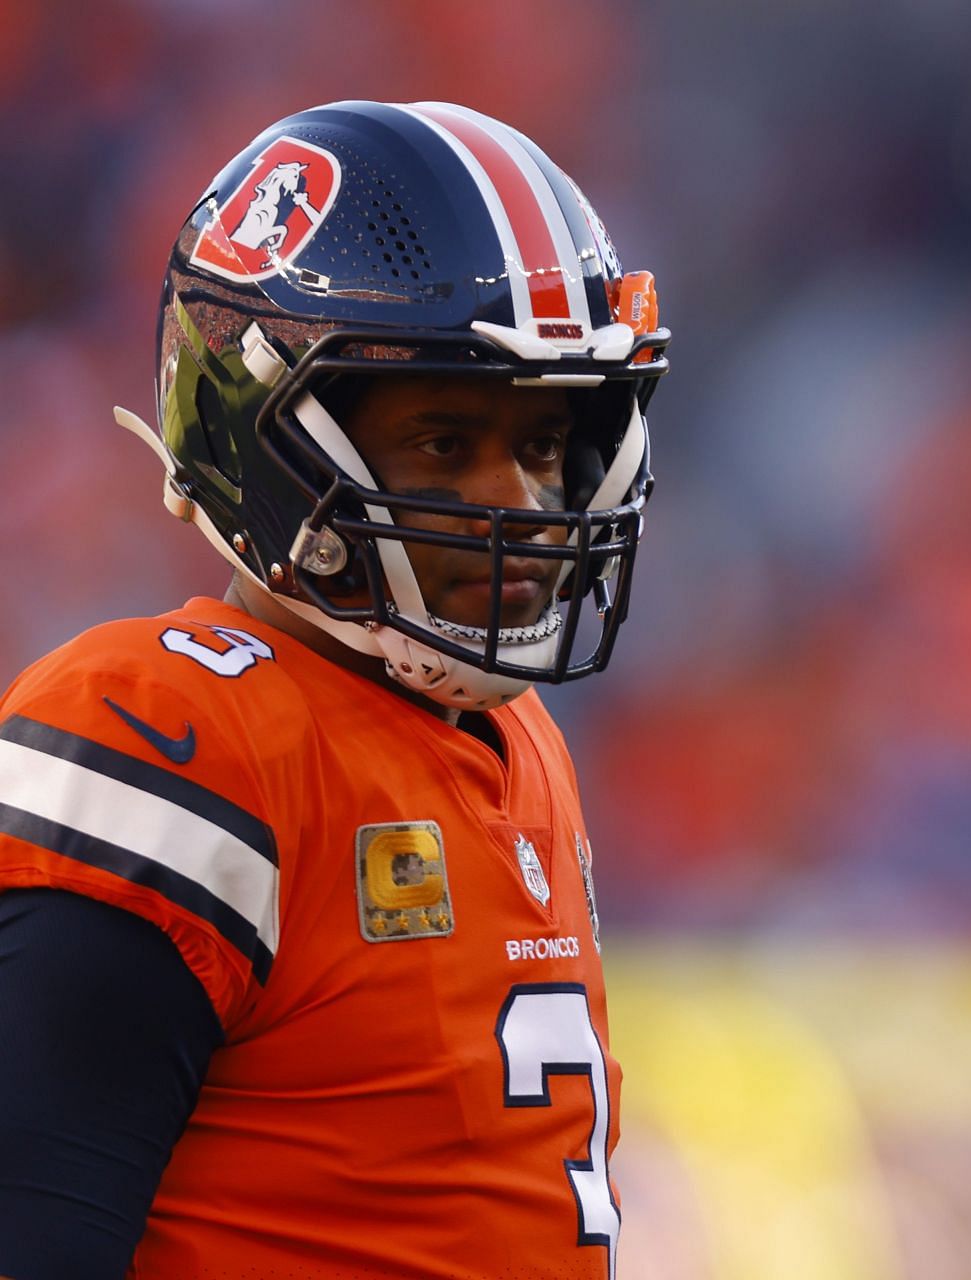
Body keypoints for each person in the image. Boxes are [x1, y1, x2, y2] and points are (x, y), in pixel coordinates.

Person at [0, 100, 669, 1279]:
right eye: (444, 441)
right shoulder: (168, 727)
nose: (518, 496)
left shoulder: (519, 737)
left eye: (548, 440)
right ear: (268, 444)